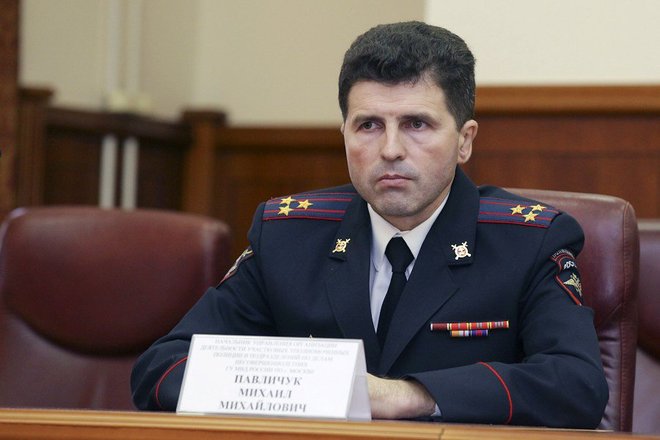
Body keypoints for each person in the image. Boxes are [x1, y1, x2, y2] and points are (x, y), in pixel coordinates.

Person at [131, 21, 608, 428]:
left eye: (417, 124)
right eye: (369, 125)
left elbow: (577, 386)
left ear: (464, 140)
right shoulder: (288, 235)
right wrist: (292, 385)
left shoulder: (529, 241)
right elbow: (163, 368)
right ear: (343, 134)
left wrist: (410, 396)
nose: (391, 150)